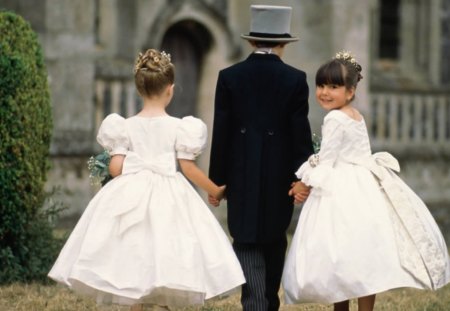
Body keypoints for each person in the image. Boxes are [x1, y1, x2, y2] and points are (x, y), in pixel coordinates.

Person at [48, 49, 245, 311]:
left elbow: (116, 169)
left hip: (131, 193)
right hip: (169, 194)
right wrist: (216, 190)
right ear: (170, 90)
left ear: (139, 89)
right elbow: (188, 168)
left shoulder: (123, 126)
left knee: (133, 252)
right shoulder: (181, 126)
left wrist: (122, 160)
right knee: (166, 252)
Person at [282, 51, 450, 311]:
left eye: (334, 86)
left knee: (340, 253)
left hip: (341, 190)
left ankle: (341, 307)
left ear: (350, 91)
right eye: (321, 85)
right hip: (364, 186)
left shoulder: (334, 118)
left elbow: (327, 160)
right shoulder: (354, 115)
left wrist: (304, 183)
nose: (325, 92)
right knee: (361, 254)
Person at [208, 5, 314, 310]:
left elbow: (222, 132)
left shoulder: (229, 76)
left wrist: (218, 181)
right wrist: (301, 179)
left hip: (239, 173)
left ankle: (254, 302)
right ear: (283, 43)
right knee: (273, 235)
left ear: (252, 41)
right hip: (279, 176)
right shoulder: (295, 79)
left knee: (244, 236)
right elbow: (300, 136)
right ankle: (266, 300)